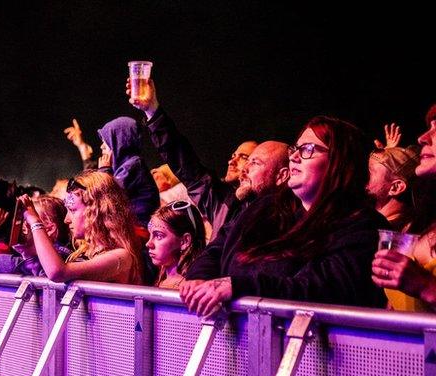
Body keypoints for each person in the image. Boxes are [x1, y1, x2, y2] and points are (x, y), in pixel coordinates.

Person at [181, 116, 388, 317]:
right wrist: (199, 277)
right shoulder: (266, 207)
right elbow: (219, 246)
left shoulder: (362, 226)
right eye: (295, 149)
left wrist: (239, 286)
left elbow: (320, 289)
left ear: (340, 163)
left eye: (308, 149)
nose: (294, 157)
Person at [127, 78, 263, 237]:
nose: (231, 161)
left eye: (244, 157)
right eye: (233, 156)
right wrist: (152, 111)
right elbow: (184, 162)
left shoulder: (273, 215)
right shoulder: (221, 200)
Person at [15, 170, 143, 283]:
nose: (66, 220)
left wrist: (35, 222)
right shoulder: (83, 251)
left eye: (73, 210)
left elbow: (57, 273)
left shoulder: (121, 257)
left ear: (97, 211)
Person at [372, 105, 436, 311]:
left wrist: (426, 286)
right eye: (429, 127)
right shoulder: (420, 223)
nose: (423, 138)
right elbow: (394, 306)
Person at [0, 195, 72, 276]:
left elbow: (19, 265)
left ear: (50, 229)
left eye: (28, 218)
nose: (21, 224)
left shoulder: (61, 256)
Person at [147, 201, 207, 288]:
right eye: (150, 235)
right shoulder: (161, 280)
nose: (148, 244)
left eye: (159, 236)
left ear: (184, 241)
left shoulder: (189, 289)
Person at [365, 146, 420, 232]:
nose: (362, 176)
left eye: (369, 172)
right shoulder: (369, 221)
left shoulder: (384, 235)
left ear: (396, 187)